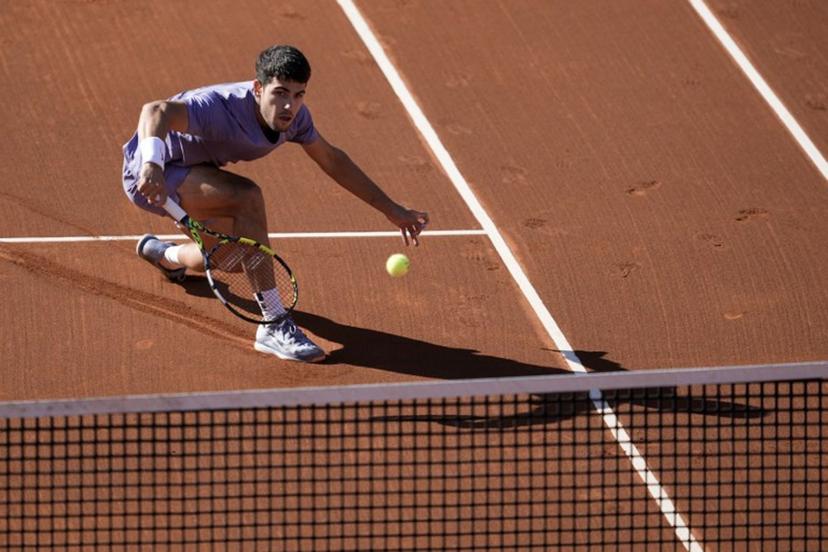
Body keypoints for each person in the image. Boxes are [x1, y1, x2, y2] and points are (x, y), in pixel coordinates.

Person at [122, 44, 429, 363]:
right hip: (151, 171)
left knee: (229, 257)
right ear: (258, 88)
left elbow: (332, 160)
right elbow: (154, 111)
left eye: (299, 95)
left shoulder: (295, 120)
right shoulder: (219, 107)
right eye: (280, 93)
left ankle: (165, 254)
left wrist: (392, 210)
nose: (289, 105)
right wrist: (151, 164)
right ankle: (273, 324)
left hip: (196, 173)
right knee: (247, 197)